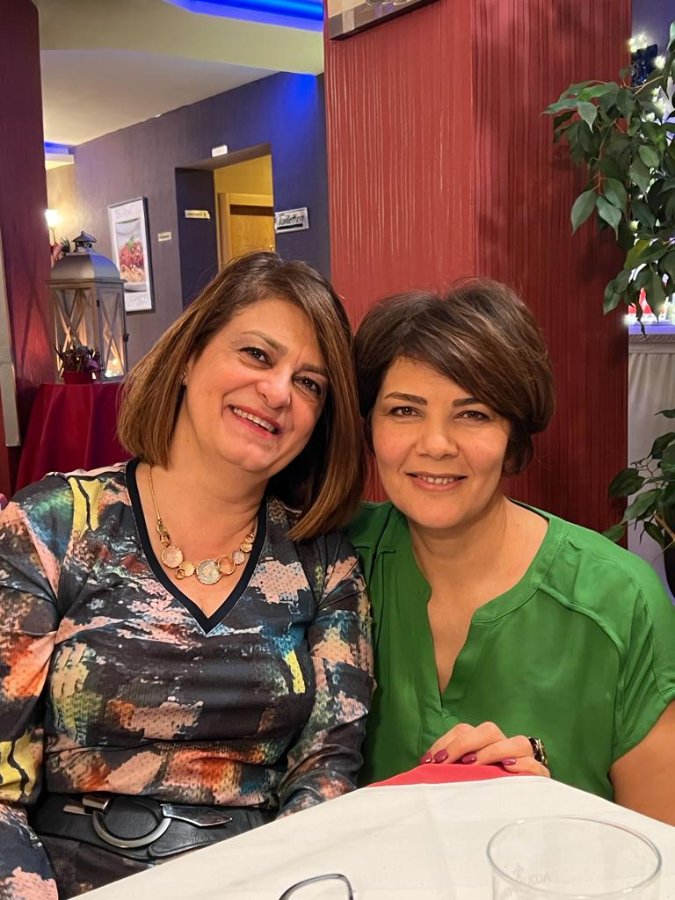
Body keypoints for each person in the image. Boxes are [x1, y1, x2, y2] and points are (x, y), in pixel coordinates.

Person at [0, 251, 374, 898]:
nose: (278, 392)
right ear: (188, 356)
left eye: (310, 383)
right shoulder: (52, 525)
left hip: (255, 879)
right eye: (256, 354)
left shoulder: (323, 562)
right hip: (65, 878)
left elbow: (326, 775)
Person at [348, 278, 675, 824]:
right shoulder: (333, 564)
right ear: (369, 427)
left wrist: (547, 808)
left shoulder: (620, 601)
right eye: (404, 411)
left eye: (473, 414)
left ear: (514, 437)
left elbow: (660, 847)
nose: (435, 444)